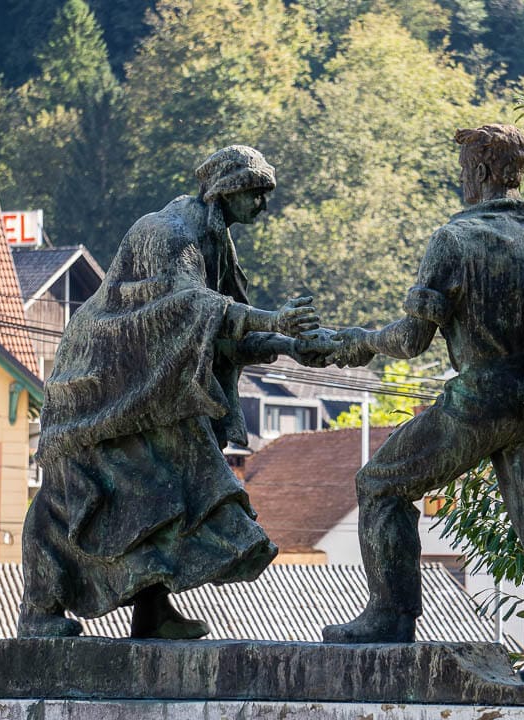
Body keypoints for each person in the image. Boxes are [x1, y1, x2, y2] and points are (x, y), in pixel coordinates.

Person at [321, 125, 524, 686]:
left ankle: (390, 617)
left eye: (461, 169)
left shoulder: (455, 241)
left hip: (481, 398)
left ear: (476, 172)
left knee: (380, 485)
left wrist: (353, 339)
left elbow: (410, 341)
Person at [18, 145, 333, 639]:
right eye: (258, 193)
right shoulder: (168, 233)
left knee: (159, 496)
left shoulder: (215, 239)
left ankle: (152, 612)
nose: (264, 206)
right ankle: (39, 612)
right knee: (73, 496)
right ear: (228, 188)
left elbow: (219, 330)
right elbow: (186, 309)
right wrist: (274, 320)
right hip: (96, 387)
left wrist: (291, 343)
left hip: (146, 389)